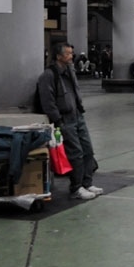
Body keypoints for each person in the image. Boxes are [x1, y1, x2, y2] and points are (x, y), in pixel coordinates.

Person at [38, 42, 103, 200]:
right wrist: (58, 120)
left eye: (71, 53)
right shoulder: (49, 75)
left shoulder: (70, 70)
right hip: (65, 119)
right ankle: (76, 187)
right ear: (58, 56)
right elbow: (48, 101)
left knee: (88, 150)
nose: (71, 56)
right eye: (67, 53)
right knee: (76, 154)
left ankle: (87, 183)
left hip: (77, 116)